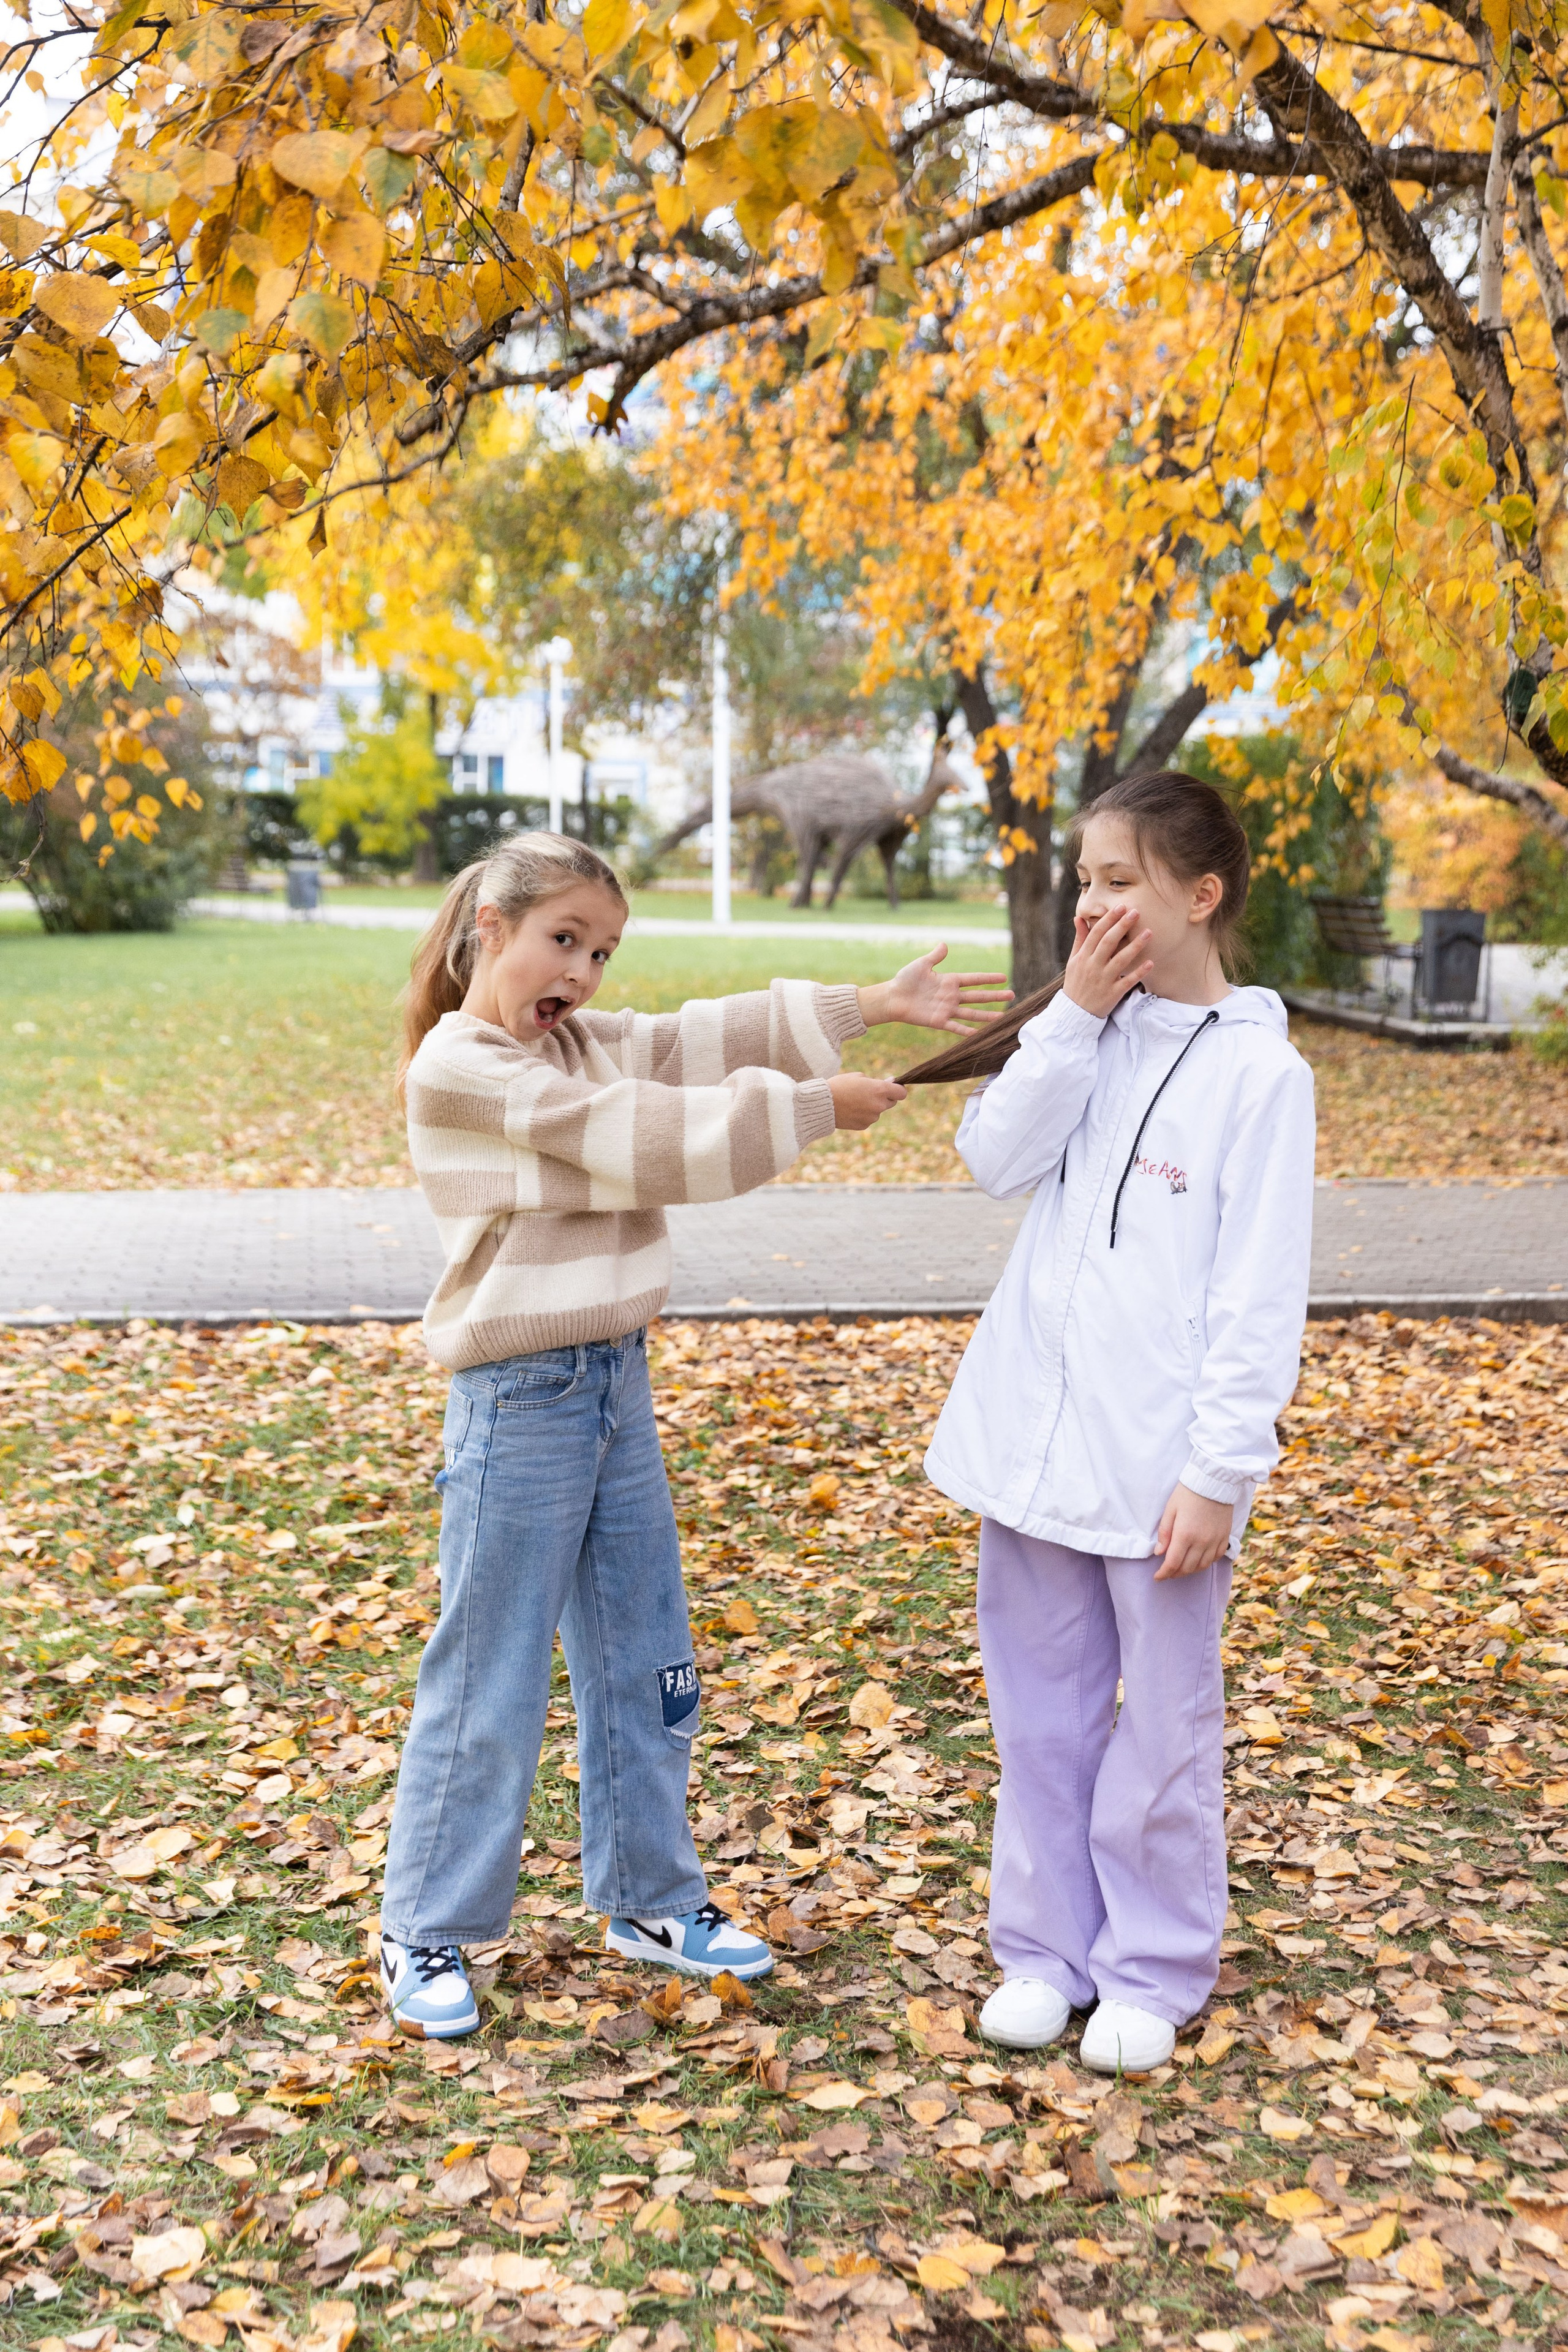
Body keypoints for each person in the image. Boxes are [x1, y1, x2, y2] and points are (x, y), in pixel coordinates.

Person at [377, 829, 1011, 2038]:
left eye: (603, 952)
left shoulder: (571, 1042)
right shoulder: (463, 1069)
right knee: (490, 1676)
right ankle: (425, 1926)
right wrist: (813, 1109)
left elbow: (687, 1043)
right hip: (519, 1401)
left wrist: (868, 1006)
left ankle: (650, 1898)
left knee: (648, 1660)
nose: (583, 972)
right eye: (564, 939)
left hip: (611, 1386)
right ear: (490, 929)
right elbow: (640, 1136)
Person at [924, 771, 1314, 2073]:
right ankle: (1045, 1953)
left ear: (1199, 896)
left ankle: (1151, 1965)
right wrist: (1071, 1022)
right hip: (1031, 1450)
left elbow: (1258, 1296)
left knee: (1160, 1732)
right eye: (1081, 881)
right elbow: (992, 1163)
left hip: (1158, 1475)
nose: (1089, 906)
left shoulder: (1261, 1076)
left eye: (1117, 882)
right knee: (1039, 1719)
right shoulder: (1080, 1034)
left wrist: (1220, 1471)